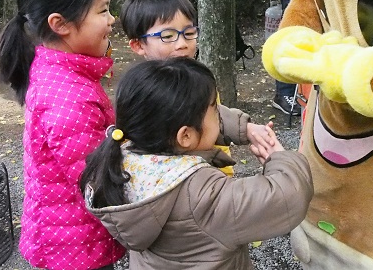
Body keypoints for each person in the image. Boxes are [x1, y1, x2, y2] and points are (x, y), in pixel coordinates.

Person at [80, 58, 313, 269]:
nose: (218, 112)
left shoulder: (125, 154)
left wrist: (244, 128)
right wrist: (280, 158)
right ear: (185, 136)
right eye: (213, 107)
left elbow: (194, 125)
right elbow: (286, 198)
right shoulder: (200, 195)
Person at [0, 0, 125, 269]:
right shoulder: (69, 99)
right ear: (61, 24)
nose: (112, 20)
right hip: (75, 249)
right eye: (103, 10)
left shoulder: (62, 73)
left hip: (68, 237)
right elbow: (94, 182)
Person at [119, 0, 273, 175]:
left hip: (216, 175)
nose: (182, 43)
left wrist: (246, 128)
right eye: (168, 36)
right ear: (138, 45)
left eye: (189, 33)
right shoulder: (146, 93)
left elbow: (214, 115)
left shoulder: (197, 79)